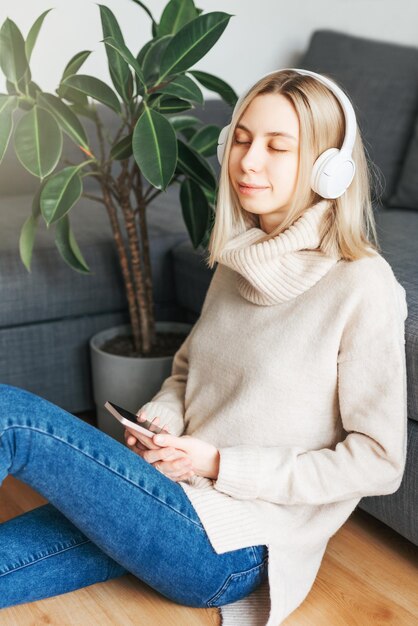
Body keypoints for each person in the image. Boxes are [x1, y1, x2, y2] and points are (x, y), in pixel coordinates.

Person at [0, 69, 408, 626]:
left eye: (275, 146)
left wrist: (219, 463)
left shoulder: (362, 285)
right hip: (171, 494)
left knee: (10, 416)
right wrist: (161, 421)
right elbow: (188, 371)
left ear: (327, 168)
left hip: (233, 548)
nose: (247, 161)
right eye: (240, 139)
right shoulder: (239, 260)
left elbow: (380, 463)